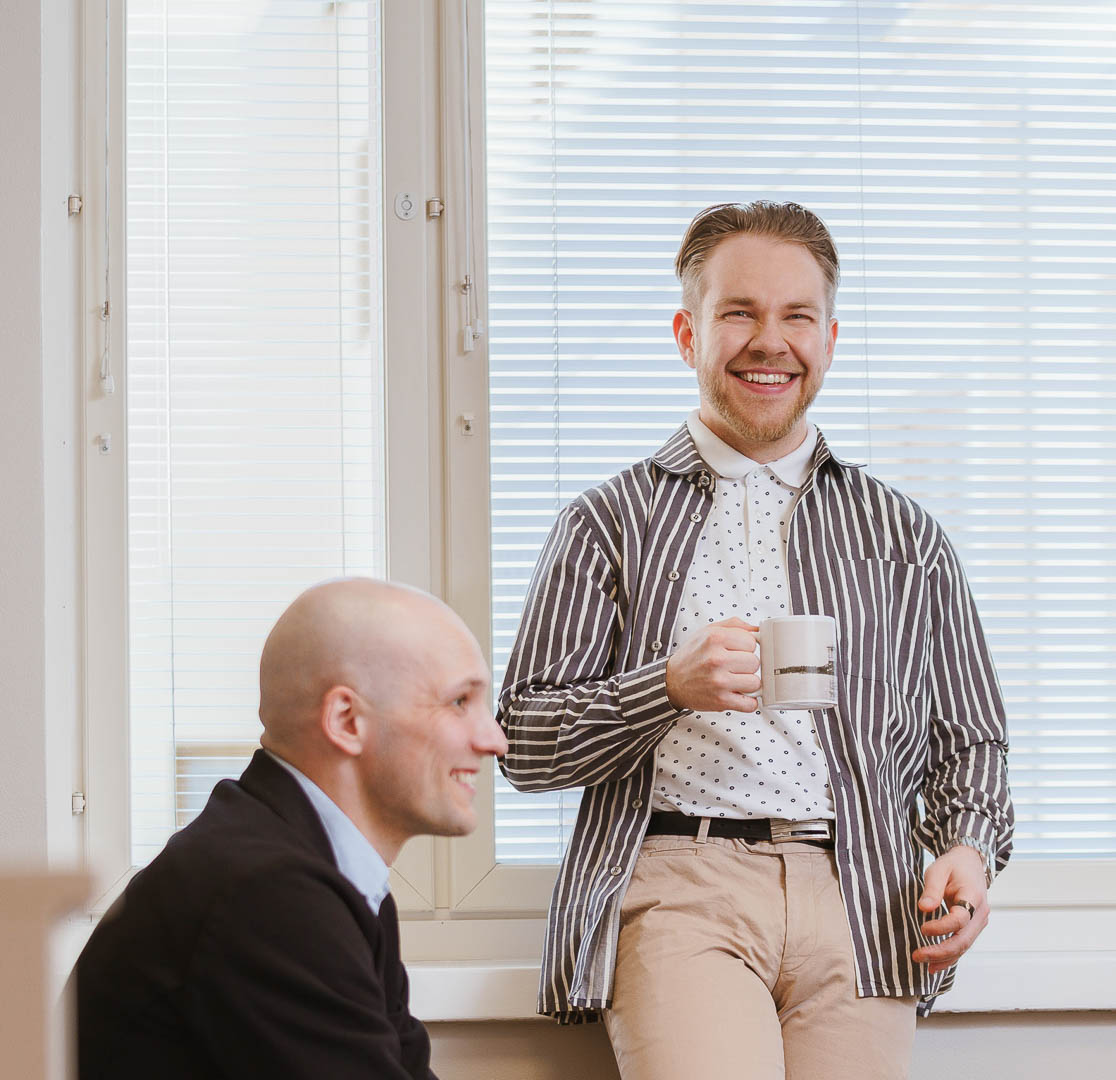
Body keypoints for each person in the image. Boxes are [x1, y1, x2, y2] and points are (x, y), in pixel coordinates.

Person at [497, 200, 1015, 1079]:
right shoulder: (606, 523)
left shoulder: (904, 535)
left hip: (863, 897)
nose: (768, 341)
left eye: (796, 317)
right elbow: (525, 745)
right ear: (686, 332)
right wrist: (666, 686)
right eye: (738, 313)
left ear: (830, 338)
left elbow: (971, 738)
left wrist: (966, 850)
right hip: (681, 885)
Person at [75, 578, 507, 1079]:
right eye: (459, 702)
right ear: (346, 720)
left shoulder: (328, 876)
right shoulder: (265, 892)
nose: (495, 739)